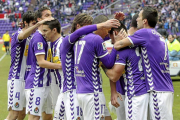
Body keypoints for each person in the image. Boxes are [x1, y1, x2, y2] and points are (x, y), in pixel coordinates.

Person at [114, 6, 174, 120]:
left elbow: (118, 45)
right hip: (166, 88)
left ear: (145, 21)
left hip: (157, 89)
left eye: (139, 17)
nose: (137, 19)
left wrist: (117, 39)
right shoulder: (158, 35)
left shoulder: (144, 33)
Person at [73, 15, 119, 120]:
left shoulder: (81, 38)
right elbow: (109, 63)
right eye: (107, 29)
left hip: (81, 91)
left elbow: (105, 36)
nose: (108, 33)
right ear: (102, 26)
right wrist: (116, 45)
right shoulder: (96, 39)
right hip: (92, 93)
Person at [104, 21, 149, 120]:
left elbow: (114, 76)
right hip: (145, 91)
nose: (110, 40)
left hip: (133, 93)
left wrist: (103, 65)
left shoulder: (122, 49)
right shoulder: (139, 43)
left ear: (115, 33)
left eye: (110, 36)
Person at [24, 7, 60, 120]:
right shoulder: (39, 38)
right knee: (34, 117)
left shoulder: (45, 37)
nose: (50, 17)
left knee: (48, 116)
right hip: (36, 83)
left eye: (51, 14)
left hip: (45, 83)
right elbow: (41, 62)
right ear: (39, 19)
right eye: (47, 15)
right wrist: (61, 66)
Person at [42, 19, 65, 120]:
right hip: (58, 88)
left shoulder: (63, 44)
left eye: (45, 31)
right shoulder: (51, 44)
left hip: (67, 89)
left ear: (54, 30)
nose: (43, 34)